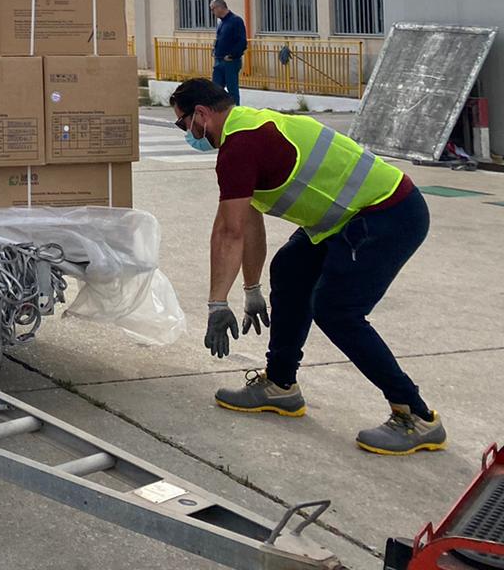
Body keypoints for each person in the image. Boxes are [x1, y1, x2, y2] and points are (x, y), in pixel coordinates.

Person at [171, 77, 443, 456]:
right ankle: (281, 385)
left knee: (337, 310)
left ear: (201, 114)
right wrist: (251, 289)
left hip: (389, 213)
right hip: (347, 218)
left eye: (183, 123)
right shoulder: (246, 128)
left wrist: (217, 304)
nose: (187, 133)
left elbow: (228, 233)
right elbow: (247, 224)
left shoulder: (240, 146)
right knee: (290, 270)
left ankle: (415, 415)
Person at [210, 0, 247, 105]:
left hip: (230, 61)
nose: (212, 12)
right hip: (218, 60)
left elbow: (242, 41)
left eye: (213, 9)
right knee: (215, 90)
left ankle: (235, 110)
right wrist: (215, 49)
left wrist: (232, 55)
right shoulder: (221, 23)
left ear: (220, 8)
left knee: (232, 90)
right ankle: (218, 111)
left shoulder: (236, 21)